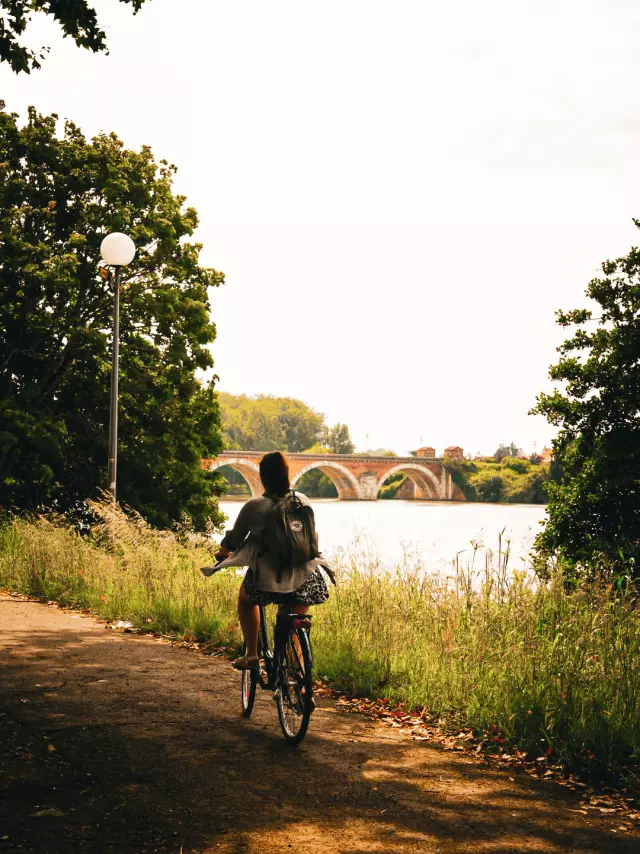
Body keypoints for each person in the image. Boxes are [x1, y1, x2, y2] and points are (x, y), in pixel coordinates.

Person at [202, 451, 335, 670]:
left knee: (246, 599)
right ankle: (300, 680)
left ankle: (252, 655)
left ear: (263, 478)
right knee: (292, 621)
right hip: (306, 577)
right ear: (286, 474)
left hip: (267, 579)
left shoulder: (254, 506)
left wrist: (223, 553)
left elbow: (235, 539)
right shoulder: (302, 500)